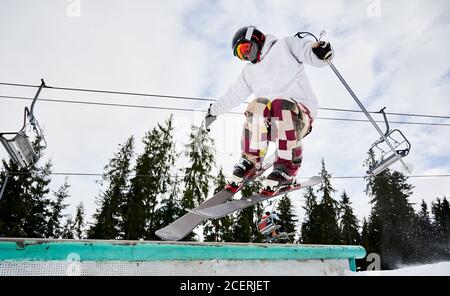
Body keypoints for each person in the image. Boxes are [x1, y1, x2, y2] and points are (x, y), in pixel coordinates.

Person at [205, 26, 333, 194]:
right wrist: (213, 111)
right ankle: (251, 160)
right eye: (241, 55)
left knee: (281, 104)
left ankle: (287, 169)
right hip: (271, 125)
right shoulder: (249, 72)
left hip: (298, 116)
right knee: (257, 104)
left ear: (256, 39)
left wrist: (318, 52)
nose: (246, 56)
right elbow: (233, 94)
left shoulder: (285, 45)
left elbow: (307, 51)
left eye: (245, 49)